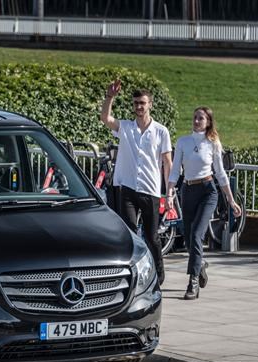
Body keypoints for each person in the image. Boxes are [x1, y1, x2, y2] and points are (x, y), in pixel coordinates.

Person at [99, 79, 172, 286]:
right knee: (129, 233)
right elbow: (105, 118)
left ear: (150, 105)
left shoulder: (161, 131)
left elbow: (167, 163)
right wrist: (109, 96)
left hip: (150, 189)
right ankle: (132, 275)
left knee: (152, 236)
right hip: (127, 188)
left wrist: (169, 192)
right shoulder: (126, 127)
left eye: (143, 103)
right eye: (136, 103)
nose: (139, 107)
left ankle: (158, 273)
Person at [165, 107, 242, 300]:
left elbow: (221, 173)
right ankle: (200, 265)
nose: (197, 121)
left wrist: (231, 201)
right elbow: (175, 171)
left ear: (208, 122)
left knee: (198, 234)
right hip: (188, 191)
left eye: (201, 118)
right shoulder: (183, 142)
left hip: (208, 191)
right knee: (190, 237)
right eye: (195, 118)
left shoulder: (213, 143)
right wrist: (169, 193)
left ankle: (192, 283)